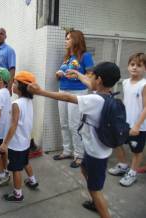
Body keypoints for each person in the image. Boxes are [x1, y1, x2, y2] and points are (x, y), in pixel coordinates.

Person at [28, 62, 121, 218]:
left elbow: (67, 97)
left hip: (96, 154)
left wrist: (41, 92)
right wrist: (78, 75)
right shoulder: (107, 95)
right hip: (94, 150)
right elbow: (89, 82)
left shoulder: (95, 100)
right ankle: (94, 200)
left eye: (91, 76)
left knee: (96, 190)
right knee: (84, 170)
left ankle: (101, 208)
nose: (88, 78)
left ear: (98, 80)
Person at [54, 30, 94, 168]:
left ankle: (79, 155)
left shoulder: (85, 56)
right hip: (62, 90)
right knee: (64, 123)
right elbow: (63, 72)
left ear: (76, 40)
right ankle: (67, 151)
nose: (66, 41)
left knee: (74, 125)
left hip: (77, 93)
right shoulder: (67, 57)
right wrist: (59, 74)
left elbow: (90, 77)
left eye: (68, 38)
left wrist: (77, 75)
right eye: (66, 38)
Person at [0, 71, 39, 202]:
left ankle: (18, 194)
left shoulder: (16, 103)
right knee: (25, 162)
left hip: (16, 144)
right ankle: (32, 181)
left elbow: (13, 125)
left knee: (16, 169)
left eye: (15, 83)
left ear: (22, 87)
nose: (12, 85)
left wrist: (5, 143)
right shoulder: (28, 101)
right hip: (25, 141)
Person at [108, 53, 146, 187]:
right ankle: (123, 165)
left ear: (145, 68)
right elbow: (126, 101)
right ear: (128, 66)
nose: (135, 67)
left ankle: (133, 172)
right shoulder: (125, 82)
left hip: (139, 126)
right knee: (117, 143)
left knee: (137, 151)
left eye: (139, 65)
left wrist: (137, 125)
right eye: (132, 64)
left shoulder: (144, 84)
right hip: (124, 122)